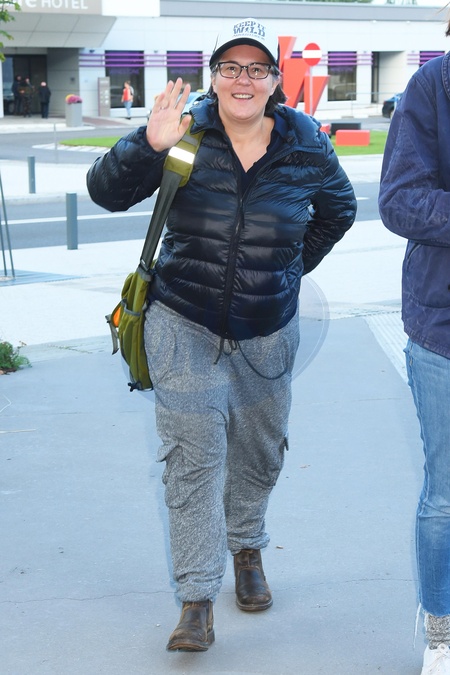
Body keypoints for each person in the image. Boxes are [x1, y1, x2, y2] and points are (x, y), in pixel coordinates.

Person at [87, 17, 356, 652]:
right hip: (182, 320)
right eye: (231, 67)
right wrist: (146, 145)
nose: (243, 80)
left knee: (259, 453)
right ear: (214, 76)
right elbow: (104, 193)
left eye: (256, 69)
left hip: (268, 332)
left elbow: (339, 210)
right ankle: (197, 598)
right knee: (194, 460)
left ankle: (247, 548)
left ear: (275, 81)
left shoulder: (307, 145)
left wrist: (285, 271)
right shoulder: (184, 132)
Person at [378, 16, 450, 675]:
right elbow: (399, 200)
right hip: (443, 328)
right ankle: (441, 631)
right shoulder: (433, 87)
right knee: (447, 493)